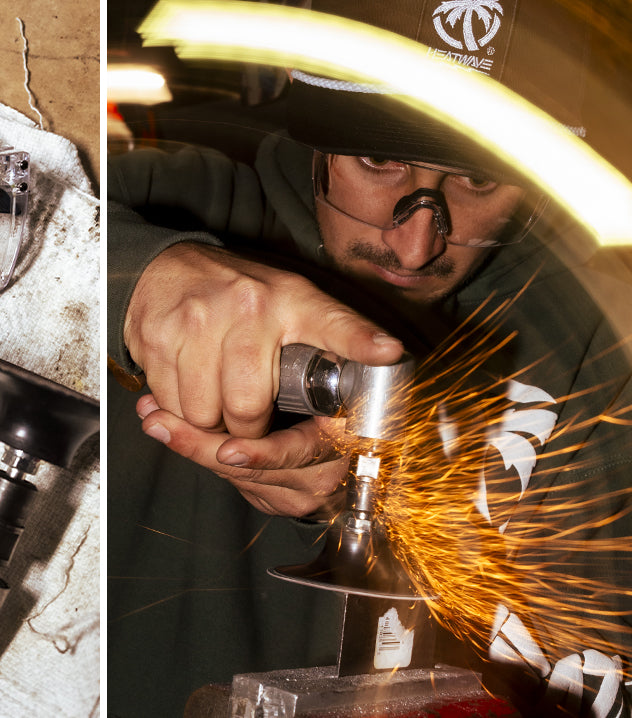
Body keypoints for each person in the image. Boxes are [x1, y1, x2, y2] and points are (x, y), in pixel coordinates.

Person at [106, 1, 632, 716]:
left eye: (478, 182)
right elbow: (13, 220)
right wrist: (144, 281)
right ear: (319, 143)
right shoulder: (199, 207)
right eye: (380, 162)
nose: (417, 245)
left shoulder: (598, 340)